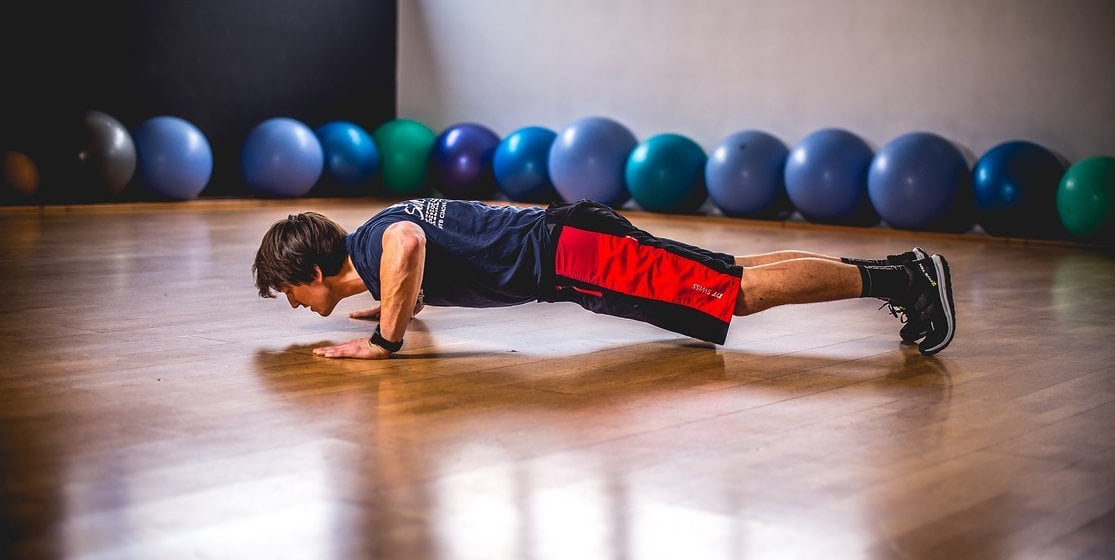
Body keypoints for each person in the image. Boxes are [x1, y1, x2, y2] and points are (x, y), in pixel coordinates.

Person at [252, 198, 955, 360]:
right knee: (726, 274)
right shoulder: (376, 238)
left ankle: (904, 280)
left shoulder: (382, 244)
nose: (295, 303)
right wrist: (392, 308)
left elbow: (411, 245)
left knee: (732, 290)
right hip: (573, 241)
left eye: (291, 291)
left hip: (573, 255)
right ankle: (897, 275)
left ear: (312, 272)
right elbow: (421, 252)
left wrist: (385, 340)